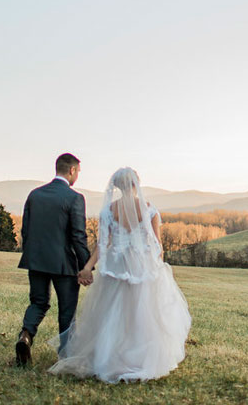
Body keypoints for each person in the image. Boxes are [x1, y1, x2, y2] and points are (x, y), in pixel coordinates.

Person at [48, 167, 191, 383]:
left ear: (116, 187)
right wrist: (155, 266)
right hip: (142, 267)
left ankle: (109, 357)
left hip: (116, 266)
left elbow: (102, 244)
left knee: (114, 313)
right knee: (143, 313)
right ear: (136, 184)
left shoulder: (108, 211)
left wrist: (87, 267)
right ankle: (141, 358)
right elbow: (157, 246)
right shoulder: (151, 210)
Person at [14, 153, 90, 366]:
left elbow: (26, 230)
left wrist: (32, 254)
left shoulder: (35, 195)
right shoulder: (75, 198)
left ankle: (25, 336)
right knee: (66, 310)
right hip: (63, 264)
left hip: (36, 260)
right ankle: (65, 357)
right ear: (72, 170)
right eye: (78, 172)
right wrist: (86, 266)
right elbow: (78, 236)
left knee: (38, 302)